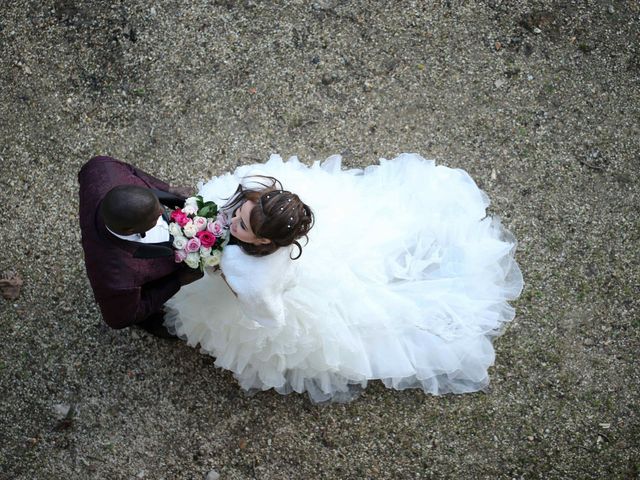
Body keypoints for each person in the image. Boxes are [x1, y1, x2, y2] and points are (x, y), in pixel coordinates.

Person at [165, 153, 524, 402]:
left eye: (241, 226)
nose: (232, 223)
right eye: (241, 212)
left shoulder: (253, 278)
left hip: (280, 289)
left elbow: (269, 317)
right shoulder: (258, 188)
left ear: (264, 241)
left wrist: (218, 271)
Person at [78, 156, 203, 338]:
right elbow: (119, 319)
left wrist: (168, 190)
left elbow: (132, 171)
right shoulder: (118, 279)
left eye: (158, 205)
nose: (163, 212)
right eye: (154, 218)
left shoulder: (101, 168)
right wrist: (177, 280)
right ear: (129, 230)